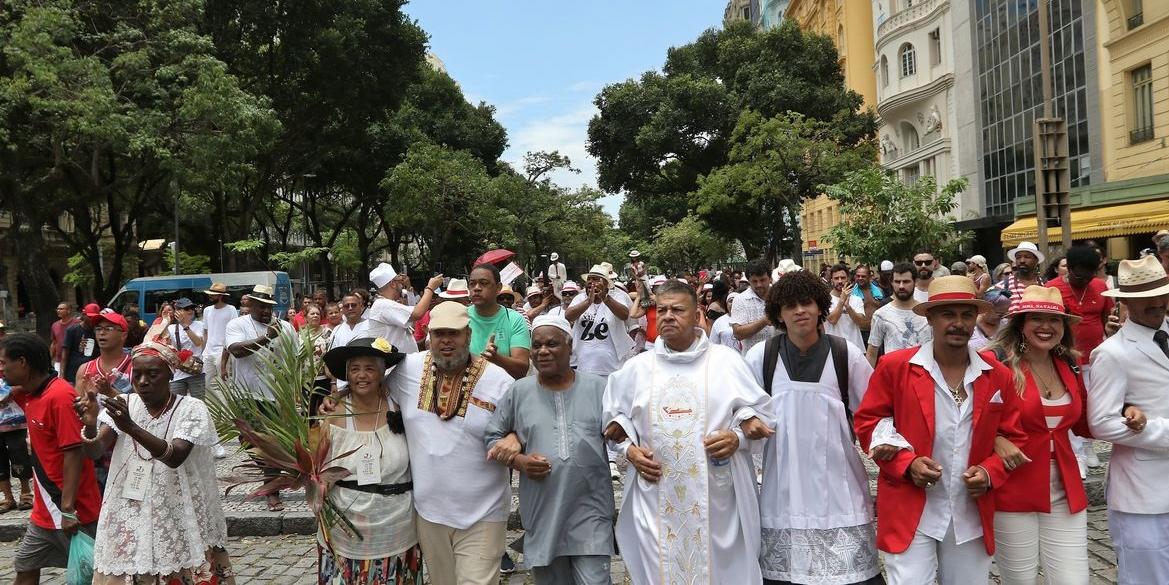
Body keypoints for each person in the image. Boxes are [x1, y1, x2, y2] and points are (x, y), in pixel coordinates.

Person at [853, 276, 1026, 584]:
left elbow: (1013, 436)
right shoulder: (896, 367)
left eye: (966, 314)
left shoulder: (997, 374)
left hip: (968, 509)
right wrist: (907, 464)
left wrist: (988, 473)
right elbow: (869, 423)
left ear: (976, 318)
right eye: (948, 314)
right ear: (930, 318)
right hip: (911, 507)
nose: (958, 323)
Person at [602, 279, 774, 585]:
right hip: (656, 496)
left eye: (677, 310)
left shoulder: (726, 362)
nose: (668, 316)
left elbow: (761, 415)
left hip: (718, 500)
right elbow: (613, 423)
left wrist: (738, 437)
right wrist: (630, 451)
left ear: (697, 316)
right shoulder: (636, 369)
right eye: (662, 309)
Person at [984, 286, 1145, 584]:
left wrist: (1125, 408)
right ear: (1021, 324)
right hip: (1014, 489)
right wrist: (996, 440)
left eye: (1054, 320)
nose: (1046, 327)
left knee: (1074, 580)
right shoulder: (996, 365)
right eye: (1036, 319)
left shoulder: (1068, 365)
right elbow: (970, 419)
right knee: (1020, 580)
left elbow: (1085, 422)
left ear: (1063, 327)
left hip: (1065, 489)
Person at [745, 271, 882, 585]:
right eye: (790, 305)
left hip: (840, 488)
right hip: (783, 487)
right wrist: (747, 422)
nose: (799, 311)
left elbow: (873, 414)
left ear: (820, 306)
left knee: (850, 575)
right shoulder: (760, 357)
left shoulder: (845, 354)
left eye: (806, 302)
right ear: (778, 313)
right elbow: (740, 412)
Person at [74, 335, 233, 585]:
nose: (143, 382)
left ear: (170, 375)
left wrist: (131, 427)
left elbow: (175, 456)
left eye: (152, 374)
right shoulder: (124, 403)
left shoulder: (192, 408)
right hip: (130, 509)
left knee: (179, 562)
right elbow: (95, 452)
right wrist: (91, 424)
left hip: (178, 508)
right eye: (137, 375)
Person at [380, 301, 514, 585]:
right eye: (439, 333)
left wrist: (514, 439)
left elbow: (523, 427)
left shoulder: (498, 380)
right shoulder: (407, 370)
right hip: (429, 512)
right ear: (428, 335)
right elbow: (376, 399)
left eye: (454, 333)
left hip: (484, 512)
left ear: (468, 334)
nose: (446, 341)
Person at [484, 316, 615, 584]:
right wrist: (519, 461)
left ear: (570, 347)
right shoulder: (518, 392)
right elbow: (491, 439)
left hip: (591, 509)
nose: (543, 351)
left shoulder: (600, 388)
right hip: (544, 512)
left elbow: (622, 434)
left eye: (552, 344)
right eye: (537, 345)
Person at [1087, 255, 1169, 584]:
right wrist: (1158, 430)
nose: (1157, 303)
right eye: (1143, 298)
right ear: (1123, 302)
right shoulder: (1111, 353)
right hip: (1141, 494)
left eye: (1161, 293)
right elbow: (1101, 422)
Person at [317, 337, 421, 585]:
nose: (362, 376)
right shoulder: (333, 414)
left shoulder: (401, 407)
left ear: (383, 373)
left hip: (398, 529)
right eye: (355, 369)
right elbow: (318, 470)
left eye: (370, 368)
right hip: (346, 532)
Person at [2, 333, 103, 585]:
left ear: (22, 362)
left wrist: (68, 508)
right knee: (25, 567)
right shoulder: (31, 393)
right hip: (45, 511)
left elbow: (74, 451)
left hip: (73, 509)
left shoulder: (59, 396)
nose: (1, 369)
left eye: (3, 363)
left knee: (94, 573)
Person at [224, 284, 299, 511]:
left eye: (269, 306)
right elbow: (236, 350)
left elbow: (294, 359)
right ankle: (269, 472)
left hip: (275, 396)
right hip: (246, 394)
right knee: (248, 442)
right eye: (260, 306)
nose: (266, 311)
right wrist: (266, 338)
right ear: (250, 305)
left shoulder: (286, 327)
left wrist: (294, 392)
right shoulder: (238, 324)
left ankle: (272, 490)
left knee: (271, 444)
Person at [565, 264, 633, 378]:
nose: (591, 282)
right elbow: (568, 316)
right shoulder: (580, 298)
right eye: (589, 279)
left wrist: (605, 298)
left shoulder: (617, 296)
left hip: (612, 366)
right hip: (584, 365)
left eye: (596, 279)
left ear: (606, 283)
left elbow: (624, 315)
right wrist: (588, 302)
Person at [467, 264, 532, 380]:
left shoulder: (514, 319)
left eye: (484, 283)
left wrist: (497, 359)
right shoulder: (461, 317)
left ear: (498, 288)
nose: (476, 288)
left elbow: (522, 370)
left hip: (504, 393)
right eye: (472, 284)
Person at [367, 263, 443, 354]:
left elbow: (412, 309)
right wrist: (430, 288)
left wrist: (409, 287)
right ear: (393, 284)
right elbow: (417, 313)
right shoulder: (382, 305)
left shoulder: (385, 303)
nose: (402, 283)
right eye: (400, 281)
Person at [866, 262, 932, 367]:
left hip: (923, 375)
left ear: (915, 282)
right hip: (893, 377)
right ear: (891, 282)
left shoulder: (927, 313)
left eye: (906, 281)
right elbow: (872, 352)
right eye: (897, 281)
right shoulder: (880, 315)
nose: (901, 286)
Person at [0, 363, 33, 512]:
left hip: (15, 421)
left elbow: (29, 383)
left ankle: (26, 494)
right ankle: (7, 497)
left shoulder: (11, 363)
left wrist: (11, 390)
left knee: (19, 455)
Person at [199, 283, 238, 408]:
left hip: (223, 351)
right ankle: (213, 413)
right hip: (208, 352)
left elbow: (233, 331)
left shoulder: (231, 309)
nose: (210, 297)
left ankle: (227, 414)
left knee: (224, 384)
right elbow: (205, 331)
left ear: (220, 296)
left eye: (213, 294)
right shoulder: (207, 310)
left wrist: (228, 351)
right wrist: (202, 352)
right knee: (207, 384)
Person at [731, 258, 776, 353]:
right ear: (748, 281)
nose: (759, 284)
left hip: (780, 357)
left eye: (762, 280)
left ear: (770, 278)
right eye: (754, 281)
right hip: (752, 361)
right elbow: (738, 333)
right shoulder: (740, 299)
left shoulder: (780, 295)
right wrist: (764, 321)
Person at [166, 298, 206, 398]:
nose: (191, 310)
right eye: (187, 308)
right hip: (178, 372)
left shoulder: (200, 325)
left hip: (196, 370)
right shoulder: (171, 328)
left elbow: (198, 342)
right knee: (176, 404)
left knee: (199, 402)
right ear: (178, 311)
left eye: (192, 308)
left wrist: (184, 325)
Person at [825, 264, 869, 350]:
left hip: (856, 348)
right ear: (831, 281)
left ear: (848, 279)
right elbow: (832, 320)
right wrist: (842, 301)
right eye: (836, 278)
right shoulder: (826, 299)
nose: (840, 281)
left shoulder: (857, 299)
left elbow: (861, 323)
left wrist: (848, 307)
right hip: (834, 349)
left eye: (843, 278)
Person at [303, 304, 333, 417]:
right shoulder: (299, 335)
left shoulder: (327, 333)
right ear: (306, 317)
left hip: (324, 379)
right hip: (306, 381)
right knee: (308, 412)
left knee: (325, 412)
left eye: (317, 314)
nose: (315, 316)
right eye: (312, 313)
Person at [61, 303, 101, 384]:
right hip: (73, 374)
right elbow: (64, 356)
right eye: (90, 317)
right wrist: (62, 377)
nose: (92, 319)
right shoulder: (72, 330)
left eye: (95, 317)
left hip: (91, 374)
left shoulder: (98, 331)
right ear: (83, 315)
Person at [1001, 241, 1046, 313]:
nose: (1022, 261)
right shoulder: (1003, 285)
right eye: (1018, 257)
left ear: (1036, 260)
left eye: (1027, 257)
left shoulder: (1046, 285)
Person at [50, 303, 77, 375]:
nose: (58, 311)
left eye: (61, 309)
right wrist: (50, 358)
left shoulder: (77, 324)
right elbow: (54, 343)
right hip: (59, 360)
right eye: (57, 309)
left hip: (74, 360)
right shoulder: (55, 325)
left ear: (68, 311)